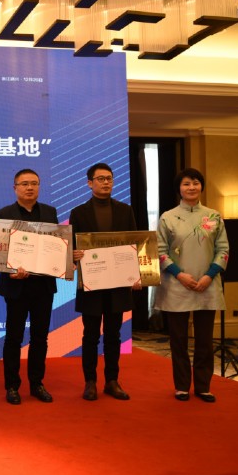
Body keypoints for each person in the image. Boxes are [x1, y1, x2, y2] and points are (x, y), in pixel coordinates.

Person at [154, 168, 228, 403]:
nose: (191, 187)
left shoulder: (214, 216)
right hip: (176, 285)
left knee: (205, 341)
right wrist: (179, 275)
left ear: (201, 186)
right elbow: (160, 251)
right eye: (186, 184)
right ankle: (182, 386)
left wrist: (209, 275)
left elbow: (223, 250)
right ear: (179, 188)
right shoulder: (167, 217)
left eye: (195, 183)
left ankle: (203, 386)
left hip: (207, 285)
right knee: (179, 341)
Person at [69, 162, 140, 401]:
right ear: (90, 183)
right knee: (90, 335)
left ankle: (112, 381)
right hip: (91, 284)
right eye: (100, 179)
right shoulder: (78, 212)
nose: (106, 182)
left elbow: (133, 245)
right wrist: (73, 255)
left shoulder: (125, 210)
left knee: (113, 335)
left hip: (118, 284)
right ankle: (90, 381)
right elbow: (70, 248)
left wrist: (136, 274)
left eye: (109, 178)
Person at [0, 169, 58, 405]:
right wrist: (10, 270)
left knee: (40, 337)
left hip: (43, 285)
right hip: (16, 287)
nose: (29, 188)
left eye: (34, 183)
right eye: (24, 184)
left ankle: (37, 383)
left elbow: (56, 246)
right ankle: (12, 386)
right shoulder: (4, 214)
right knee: (14, 337)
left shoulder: (50, 212)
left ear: (39, 186)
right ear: (15, 188)